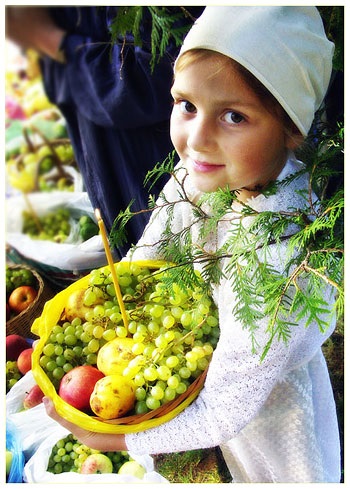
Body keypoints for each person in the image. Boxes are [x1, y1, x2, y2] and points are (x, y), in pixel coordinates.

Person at [42, 7, 341, 482]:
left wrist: (120, 440)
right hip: (219, 368)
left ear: (292, 130)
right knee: (237, 458)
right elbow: (154, 251)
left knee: (285, 470)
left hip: (272, 403)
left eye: (234, 116)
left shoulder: (280, 254)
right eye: (186, 105)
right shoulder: (202, 174)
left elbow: (224, 410)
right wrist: (98, 321)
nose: (196, 139)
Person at [5, 6, 204, 257]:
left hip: (156, 165)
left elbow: (162, 73)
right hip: (106, 158)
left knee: (180, 255)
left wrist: (47, 38)